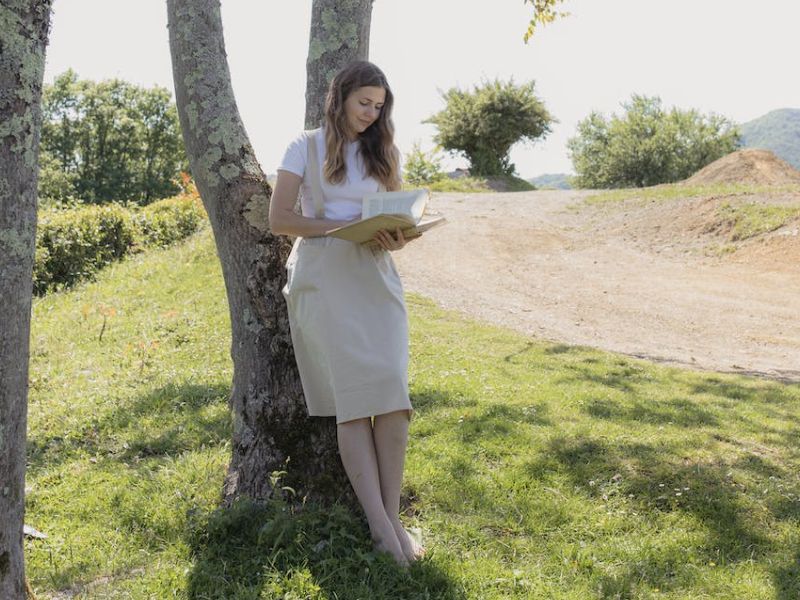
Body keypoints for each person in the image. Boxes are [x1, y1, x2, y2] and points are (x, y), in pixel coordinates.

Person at [268, 60, 424, 566]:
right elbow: (280, 219)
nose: (371, 114)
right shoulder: (304, 146)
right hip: (324, 277)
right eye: (364, 103)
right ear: (340, 98)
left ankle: (394, 519)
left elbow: (393, 223)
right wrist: (339, 229)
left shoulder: (384, 151)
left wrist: (395, 237)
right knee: (354, 402)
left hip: (375, 277)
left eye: (379, 106)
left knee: (393, 397)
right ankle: (380, 529)